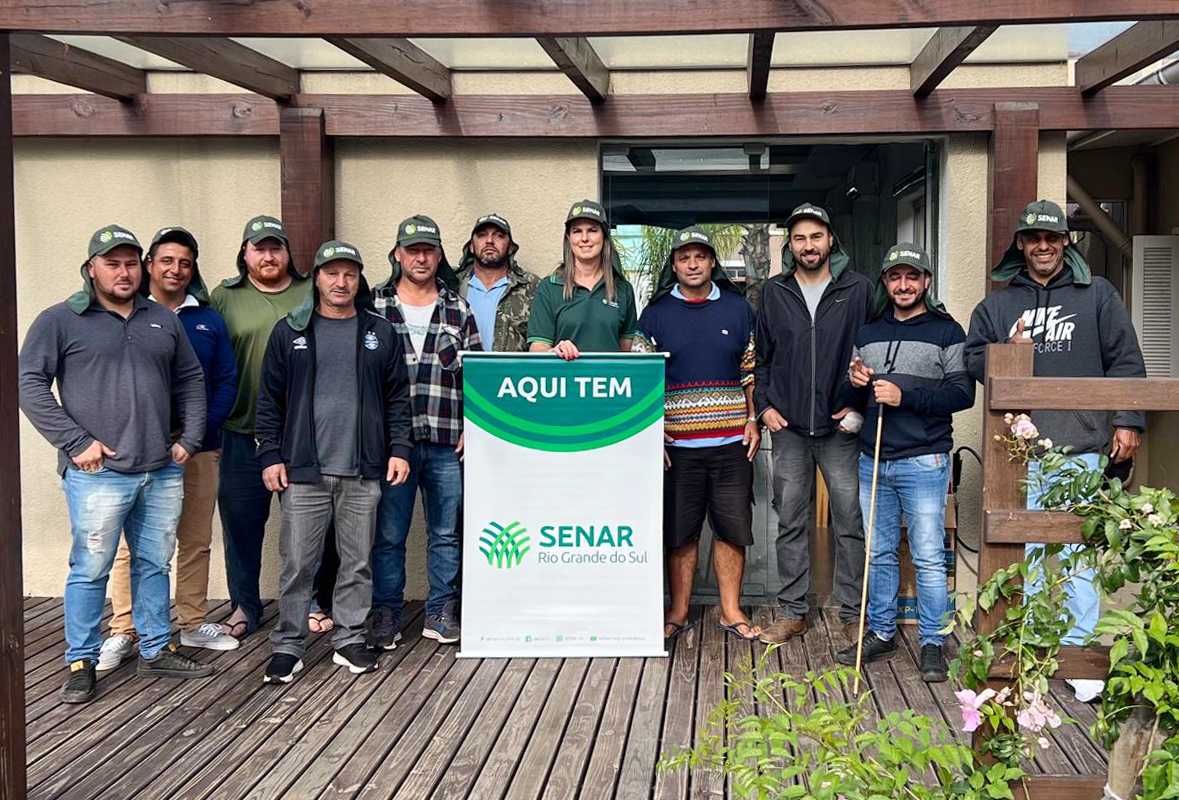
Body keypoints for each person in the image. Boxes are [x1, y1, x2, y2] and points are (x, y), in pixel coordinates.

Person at [19, 225, 212, 704]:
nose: (123, 273)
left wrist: (189, 439)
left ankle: (156, 647)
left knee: (154, 563)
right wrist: (75, 441)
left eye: (129, 263)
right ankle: (81, 660)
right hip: (97, 473)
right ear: (91, 269)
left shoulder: (161, 319)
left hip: (160, 469)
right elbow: (29, 383)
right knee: (91, 568)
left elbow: (190, 379)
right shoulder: (60, 320)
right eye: (112, 263)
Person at [964, 199, 1147, 701]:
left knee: (1076, 555)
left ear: (1066, 241)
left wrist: (1128, 419)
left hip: (1081, 448)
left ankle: (1079, 658)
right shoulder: (997, 306)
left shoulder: (1099, 295)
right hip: (1017, 453)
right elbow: (971, 359)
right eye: (1033, 239)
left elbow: (1126, 361)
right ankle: (1030, 649)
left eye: (1052, 238)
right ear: (1020, 245)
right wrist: (1006, 352)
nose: (1043, 246)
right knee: (1023, 555)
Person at [256, 240, 413, 683]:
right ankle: (288, 645)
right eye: (332, 273)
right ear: (317, 279)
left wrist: (400, 449)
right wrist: (269, 455)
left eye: (349, 274)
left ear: (359, 280)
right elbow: (268, 400)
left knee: (357, 562)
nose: (341, 282)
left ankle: (349, 638)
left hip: (362, 469)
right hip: (304, 470)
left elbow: (398, 399)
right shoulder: (290, 331)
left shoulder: (380, 332)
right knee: (298, 564)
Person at [98, 227, 240, 671]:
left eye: (184, 263)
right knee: (131, 545)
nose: (175, 270)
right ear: (149, 265)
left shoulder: (208, 319)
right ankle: (125, 629)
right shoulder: (126, 314)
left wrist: (195, 435)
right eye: (166, 261)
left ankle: (192, 621)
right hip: (137, 450)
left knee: (195, 539)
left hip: (197, 448)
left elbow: (226, 381)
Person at [832, 243, 974, 682]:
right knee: (878, 552)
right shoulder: (869, 332)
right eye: (895, 277)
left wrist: (904, 395)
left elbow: (962, 394)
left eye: (912, 276)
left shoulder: (948, 331)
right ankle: (881, 632)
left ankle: (933, 641)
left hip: (924, 460)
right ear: (886, 282)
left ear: (926, 281)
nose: (904, 285)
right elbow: (852, 396)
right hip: (874, 459)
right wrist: (854, 382)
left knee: (929, 556)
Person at [632, 227, 762, 642]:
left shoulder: (739, 310)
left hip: (732, 445)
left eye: (700, 257)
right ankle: (678, 611)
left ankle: (730, 610)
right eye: (684, 258)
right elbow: (642, 380)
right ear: (674, 265)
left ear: (712, 262)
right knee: (680, 532)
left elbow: (749, 372)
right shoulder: (655, 315)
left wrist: (753, 419)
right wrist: (650, 433)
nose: (692, 264)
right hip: (676, 447)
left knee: (731, 530)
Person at [754, 203, 873, 645]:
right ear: (790, 244)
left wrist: (859, 406)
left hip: (840, 427)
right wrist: (764, 407)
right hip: (788, 427)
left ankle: (852, 612)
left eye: (816, 236)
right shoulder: (774, 291)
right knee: (789, 521)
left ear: (830, 240)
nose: (809, 245)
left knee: (849, 522)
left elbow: (875, 351)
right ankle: (793, 612)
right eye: (800, 238)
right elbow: (761, 357)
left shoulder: (858, 289)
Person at [369, 216, 481, 648]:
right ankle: (386, 614)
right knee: (389, 534)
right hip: (391, 445)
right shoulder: (373, 305)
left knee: (446, 533)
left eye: (429, 251)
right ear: (397, 254)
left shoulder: (458, 308)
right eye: (413, 250)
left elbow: (476, 376)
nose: (421, 258)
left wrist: (473, 425)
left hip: (446, 441)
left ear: (439, 256)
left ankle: (440, 611)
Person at [210, 215, 311, 640]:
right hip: (240, 431)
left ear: (287, 253)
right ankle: (244, 607)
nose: (268, 256)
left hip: (301, 433)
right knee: (241, 526)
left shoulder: (311, 291)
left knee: (307, 527)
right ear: (245, 254)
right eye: (259, 248)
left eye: (275, 248)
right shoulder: (224, 296)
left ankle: (309, 604)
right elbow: (209, 360)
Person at [527, 200, 638, 358]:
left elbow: (626, 354)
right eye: (577, 231)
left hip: (609, 374)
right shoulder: (549, 287)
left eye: (592, 230)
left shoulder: (623, 289)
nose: (584, 238)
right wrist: (554, 351)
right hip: (564, 374)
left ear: (604, 236)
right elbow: (537, 349)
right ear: (569, 237)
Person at [455, 212, 539, 352]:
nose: (489, 241)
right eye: (482, 235)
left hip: (512, 367)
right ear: (471, 246)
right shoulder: (452, 285)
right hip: (461, 366)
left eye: (499, 236)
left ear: (510, 247)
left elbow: (542, 341)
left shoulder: (531, 287)